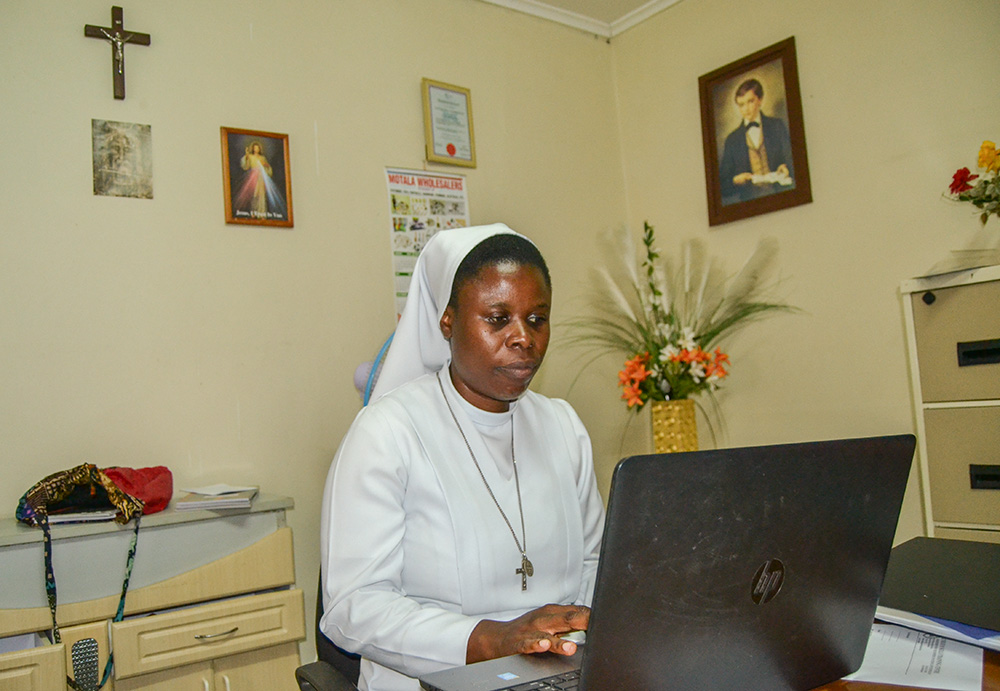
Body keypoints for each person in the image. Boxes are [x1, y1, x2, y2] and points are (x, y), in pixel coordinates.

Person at [320, 224, 605, 691]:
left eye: (537, 319)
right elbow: (354, 609)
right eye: (497, 319)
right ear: (447, 321)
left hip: (559, 675)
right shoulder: (388, 432)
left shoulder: (563, 426)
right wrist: (491, 640)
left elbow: (597, 564)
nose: (523, 339)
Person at [718, 78, 795, 204]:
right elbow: (722, 186)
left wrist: (786, 168)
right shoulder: (732, 140)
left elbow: (794, 162)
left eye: (750, 101)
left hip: (781, 198)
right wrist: (736, 180)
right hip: (750, 205)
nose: (746, 109)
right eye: (741, 104)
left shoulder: (777, 126)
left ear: (760, 100)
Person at [236, 141, 275, 218]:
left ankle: (262, 213)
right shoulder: (250, 156)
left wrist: (266, 165)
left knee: (261, 195)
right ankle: (253, 213)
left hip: (261, 177)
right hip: (253, 176)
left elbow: (267, 169)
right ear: (253, 149)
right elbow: (246, 166)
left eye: (257, 148)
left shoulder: (262, 158)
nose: (256, 149)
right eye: (255, 148)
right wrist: (247, 155)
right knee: (254, 194)